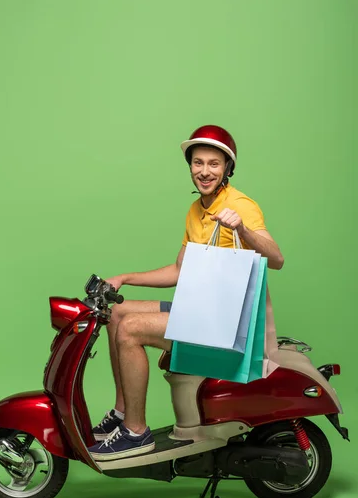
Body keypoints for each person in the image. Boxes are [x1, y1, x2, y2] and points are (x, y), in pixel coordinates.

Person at [88, 125, 284, 461]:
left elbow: (276, 259)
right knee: (116, 313)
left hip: (227, 325)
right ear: (190, 166)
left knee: (131, 328)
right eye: (198, 163)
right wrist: (124, 277)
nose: (204, 171)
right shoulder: (196, 211)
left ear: (227, 168)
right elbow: (180, 271)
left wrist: (242, 229)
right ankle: (122, 414)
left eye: (214, 164)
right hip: (202, 311)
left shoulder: (240, 205)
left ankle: (136, 433)